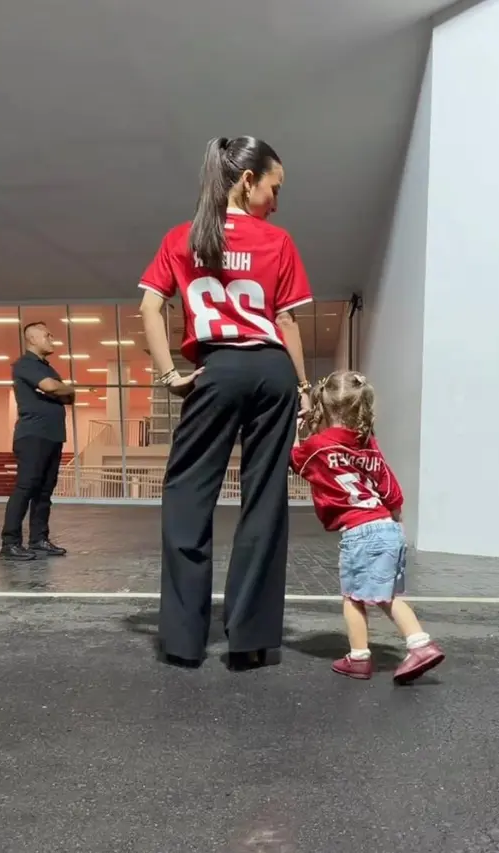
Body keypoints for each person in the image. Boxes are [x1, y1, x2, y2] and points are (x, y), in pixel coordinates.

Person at [139, 136, 313, 670]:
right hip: (271, 371)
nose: (276, 202)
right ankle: (251, 643)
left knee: (188, 498)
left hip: (215, 372)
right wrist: (303, 389)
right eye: (273, 188)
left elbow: (150, 305)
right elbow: (284, 321)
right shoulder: (277, 241)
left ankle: (184, 642)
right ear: (246, 179)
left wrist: (170, 374)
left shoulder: (182, 237)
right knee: (264, 502)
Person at [290, 370, 445, 683]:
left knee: (353, 597)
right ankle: (417, 643)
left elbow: (294, 459)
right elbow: (392, 491)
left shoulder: (319, 446)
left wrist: (296, 430)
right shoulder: (369, 445)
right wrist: (396, 518)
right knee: (388, 594)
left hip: (359, 531)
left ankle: (362, 656)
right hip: (387, 526)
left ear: (324, 406)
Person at [0, 323, 73, 561]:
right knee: (26, 488)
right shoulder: (25, 364)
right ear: (31, 338)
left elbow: (70, 396)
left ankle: (38, 539)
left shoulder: (46, 368)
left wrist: (60, 389)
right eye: (47, 334)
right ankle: (9, 543)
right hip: (33, 436)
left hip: (53, 436)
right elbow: (51, 387)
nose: (52, 338)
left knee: (44, 491)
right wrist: (56, 388)